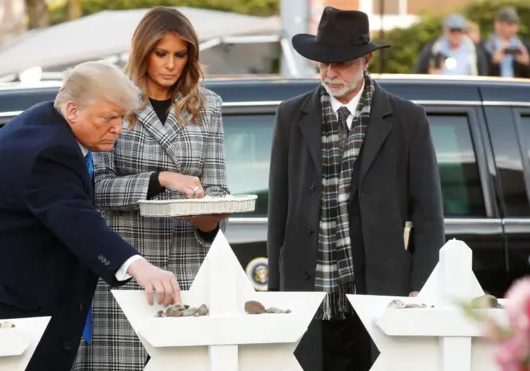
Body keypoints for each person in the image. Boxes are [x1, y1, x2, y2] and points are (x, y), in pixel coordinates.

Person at [0, 61, 182, 371]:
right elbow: (76, 218)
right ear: (72, 110)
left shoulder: (47, 122)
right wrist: (139, 267)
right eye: (109, 118)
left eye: (122, 118)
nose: (119, 129)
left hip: (3, 289)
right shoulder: (47, 149)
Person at [267, 7, 445, 371]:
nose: (329, 74)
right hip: (308, 289)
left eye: (341, 64)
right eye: (322, 64)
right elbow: (279, 211)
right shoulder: (290, 115)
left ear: (365, 60)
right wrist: (277, 292)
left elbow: (428, 214)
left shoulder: (407, 119)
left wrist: (421, 289)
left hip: (381, 288)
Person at [72, 6, 230, 371]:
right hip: (125, 266)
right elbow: (98, 188)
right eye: (161, 54)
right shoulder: (114, 100)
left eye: (180, 54)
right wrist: (161, 178)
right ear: (143, 51)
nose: (170, 65)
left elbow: (218, 187)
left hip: (189, 265)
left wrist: (209, 220)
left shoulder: (209, 106)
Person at [413, 13, 488, 76]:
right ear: (445, 30)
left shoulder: (473, 49)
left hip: (465, 91)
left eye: (459, 31)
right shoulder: (434, 48)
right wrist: (431, 76)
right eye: (452, 30)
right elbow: (418, 72)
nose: (456, 34)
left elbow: (483, 73)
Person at [482, 6, 530, 78]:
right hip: (494, 87)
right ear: (498, 25)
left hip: (518, 88)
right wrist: (493, 63)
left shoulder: (525, 46)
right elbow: (480, 75)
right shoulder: (484, 46)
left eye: (516, 24)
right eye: (509, 24)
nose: (514, 28)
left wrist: (527, 64)